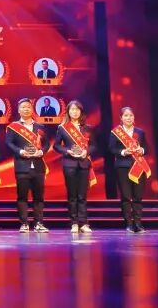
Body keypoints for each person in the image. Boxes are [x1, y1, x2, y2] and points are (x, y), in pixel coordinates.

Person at [7, 98, 50, 232]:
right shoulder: (13, 127)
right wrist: (20, 151)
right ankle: (24, 223)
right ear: (19, 110)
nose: (26, 109)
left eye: (28, 107)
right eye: (23, 107)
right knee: (22, 196)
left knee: (39, 197)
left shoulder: (40, 127)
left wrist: (41, 152)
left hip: (38, 166)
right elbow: (9, 143)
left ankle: (39, 223)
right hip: (22, 166)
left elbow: (47, 144)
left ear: (32, 110)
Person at [54, 100, 96, 233]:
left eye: (77, 109)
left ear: (81, 112)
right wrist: (67, 151)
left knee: (82, 195)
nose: (75, 112)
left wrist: (86, 152)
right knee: (72, 195)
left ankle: (83, 223)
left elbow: (94, 145)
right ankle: (74, 223)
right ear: (68, 112)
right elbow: (56, 145)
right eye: (72, 109)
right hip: (69, 164)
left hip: (83, 163)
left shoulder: (87, 128)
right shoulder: (62, 128)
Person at [109, 106, 150, 233]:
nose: (129, 118)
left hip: (138, 166)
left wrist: (141, 150)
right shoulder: (115, 132)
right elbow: (111, 148)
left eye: (131, 115)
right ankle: (129, 223)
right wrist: (123, 152)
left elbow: (147, 148)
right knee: (126, 197)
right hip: (122, 166)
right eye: (126, 115)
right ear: (121, 118)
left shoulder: (140, 132)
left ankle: (138, 223)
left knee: (138, 196)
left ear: (134, 117)